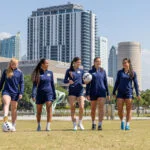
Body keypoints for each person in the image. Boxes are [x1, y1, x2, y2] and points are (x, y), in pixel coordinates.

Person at [113, 58, 140, 130]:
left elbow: (136, 84)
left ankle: (127, 124)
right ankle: (122, 121)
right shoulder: (119, 72)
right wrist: (113, 92)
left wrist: (138, 94)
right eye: (123, 63)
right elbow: (116, 82)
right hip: (120, 93)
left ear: (129, 63)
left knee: (129, 110)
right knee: (119, 109)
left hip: (129, 93)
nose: (124, 64)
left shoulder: (133, 73)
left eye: (125, 62)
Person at [31, 58, 56, 131]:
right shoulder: (37, 73)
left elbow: (52, 85)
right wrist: (33, 95)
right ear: (42, 64)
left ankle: (48, 126)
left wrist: (54, 95)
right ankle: (39, 125)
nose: (48, 65)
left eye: (48, 63)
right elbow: (35, 86)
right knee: (39, 111)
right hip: (40, 94)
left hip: (49, 93)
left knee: (49, 110)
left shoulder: (50, 73)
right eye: (46, 63)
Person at [0, 58, 24, 132]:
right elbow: (1, 82)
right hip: (6, 91)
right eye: (13, 64)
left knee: (14, 109)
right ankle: (5, 119)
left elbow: (22, 83)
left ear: (17, 64)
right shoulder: (5, 71)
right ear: (10, 64)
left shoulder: (20, 73)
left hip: (15, 93)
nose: (14, 66)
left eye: (15, 64)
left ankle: (13, 125)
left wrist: (21, 92)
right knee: (6, 103)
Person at [86, 57, 110, 130]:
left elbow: (105, 83)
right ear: (94, 62)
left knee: (101, 108)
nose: (98, 63)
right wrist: (87, 93)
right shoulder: (90, 72)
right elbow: (88, 84)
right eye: (97, 61)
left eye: (99, 61)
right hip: (93, 92)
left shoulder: (103, 71)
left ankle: (100, 124)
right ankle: (93, 123)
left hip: (102, 92)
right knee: (93, 109)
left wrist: (108, 93)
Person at [64, 57, 85, 131]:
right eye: (78, 62)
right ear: (74, 62)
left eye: (80, 62)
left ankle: (80, 122)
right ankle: (74, 124)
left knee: (82, 107)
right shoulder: (69, 70)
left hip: (80, 90)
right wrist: (69, 81)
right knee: (72, 108)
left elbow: (83, 81)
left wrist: (86, 81)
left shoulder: (82, 71)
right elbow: (64, 80)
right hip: (72, 91)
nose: (79, 63)